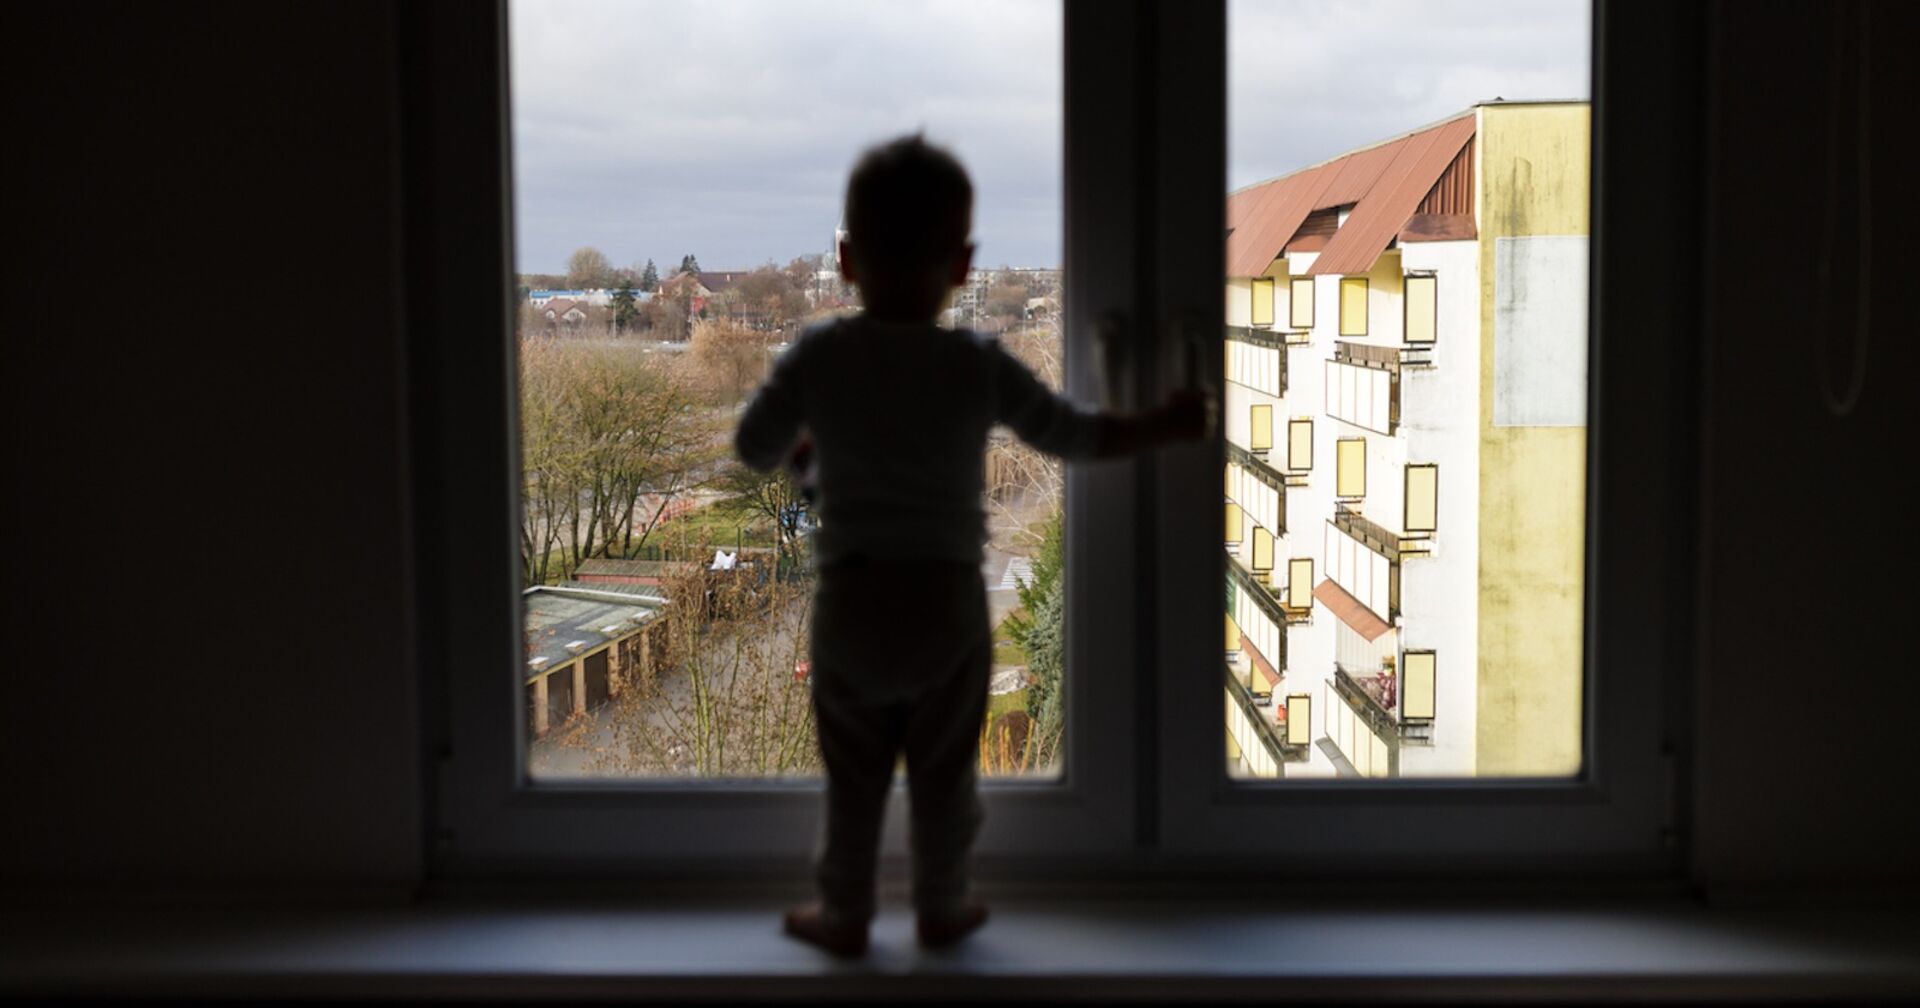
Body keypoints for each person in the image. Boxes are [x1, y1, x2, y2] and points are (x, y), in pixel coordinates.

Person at [734, 133, 1209, 958]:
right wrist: (1161, 425)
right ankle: (941, 904)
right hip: (946, 602)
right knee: (944, 773)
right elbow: (1072, 434)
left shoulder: (819, 355)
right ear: (961, 266)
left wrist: (809, 449)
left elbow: (753, 445)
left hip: (852, 601)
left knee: (854, 775)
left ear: (845, 260)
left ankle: (844, 913)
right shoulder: (977, 364)